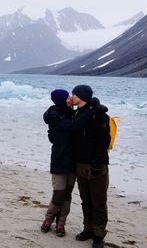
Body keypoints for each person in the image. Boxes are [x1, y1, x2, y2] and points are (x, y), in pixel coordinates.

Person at [40, 88, 92, 237]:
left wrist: (90, 105)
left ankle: (61, 223)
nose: (71, 98)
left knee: (67, 195)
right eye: (68, 96)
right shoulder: (55, 116)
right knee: (58, 194)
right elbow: (74, 126)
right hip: (59, 160)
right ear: (62, 100)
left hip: (73, 161)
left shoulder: (71, 112)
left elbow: (80, 111)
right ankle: (48, 219)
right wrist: (90, 110)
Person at [70, 85, 111, 248]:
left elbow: (104, 141)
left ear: (81, 96)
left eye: (74, 94)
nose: (71, 96)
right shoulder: (77, 113)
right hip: (80, 164)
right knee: (85, 200)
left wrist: (96, 163)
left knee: (99, 202)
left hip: (97, 166)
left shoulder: (99, 114)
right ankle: (88, 229)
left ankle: (99, 235)